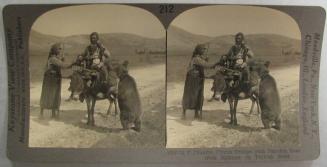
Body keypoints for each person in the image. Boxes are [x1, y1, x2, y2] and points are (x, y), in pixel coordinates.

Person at [182, 44, 215, 119]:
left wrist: (206, 61)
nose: (204, 51)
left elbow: (204, 66)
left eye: (205, 49)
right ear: (199, 50)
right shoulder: (196, 58)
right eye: (203, 49)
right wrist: (216, 64)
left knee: (199, 96)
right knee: (191, 96)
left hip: (199, 79)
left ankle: (197, 113)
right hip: (193, 80)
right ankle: (185, 114)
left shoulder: (200, 58)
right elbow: (206, 65)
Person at [40, 43, 72, 118]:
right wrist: (73, 62)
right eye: (59, 48)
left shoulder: (57, 58)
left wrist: (63, 59)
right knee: (47, 95)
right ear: (55, 50)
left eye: (61, 49)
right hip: (50, 80)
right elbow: (63, 65)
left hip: (56, 79)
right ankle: (41, 114)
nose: (61, 50)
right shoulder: (52, 59)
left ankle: (53, 113)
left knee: (55, 96)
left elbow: (63, 66)